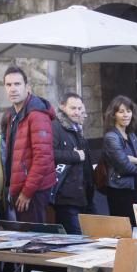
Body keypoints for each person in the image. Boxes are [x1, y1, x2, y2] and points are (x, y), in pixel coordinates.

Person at [2, 65, 57, 223]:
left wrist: (27, 192)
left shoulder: (36, 114)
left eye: (17, 84)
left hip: (34, 191)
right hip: (21, 189)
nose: (13, 89)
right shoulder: (13, 115)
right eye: (9, 85)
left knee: (35, 241)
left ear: (28, 87)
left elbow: (43, 157)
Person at [50, 92, 94, 234]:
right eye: (73, 108)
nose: (77, 112)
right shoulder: (55, 127)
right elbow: (49, 154)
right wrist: (74, 155)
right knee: (76, 239)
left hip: (83, 196)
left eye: (79, 108)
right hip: (66, 196)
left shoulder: (77, 128)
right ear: (62, 107)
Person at [102, 95, 137, 224]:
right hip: (119, 190)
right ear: (114, 114)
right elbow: (124, 166)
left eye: (128, 111)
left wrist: (136, 160)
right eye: (121, 112)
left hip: (134, 188)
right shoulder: (111, 137)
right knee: (124, 230)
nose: (126, 115)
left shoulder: (131, 135)